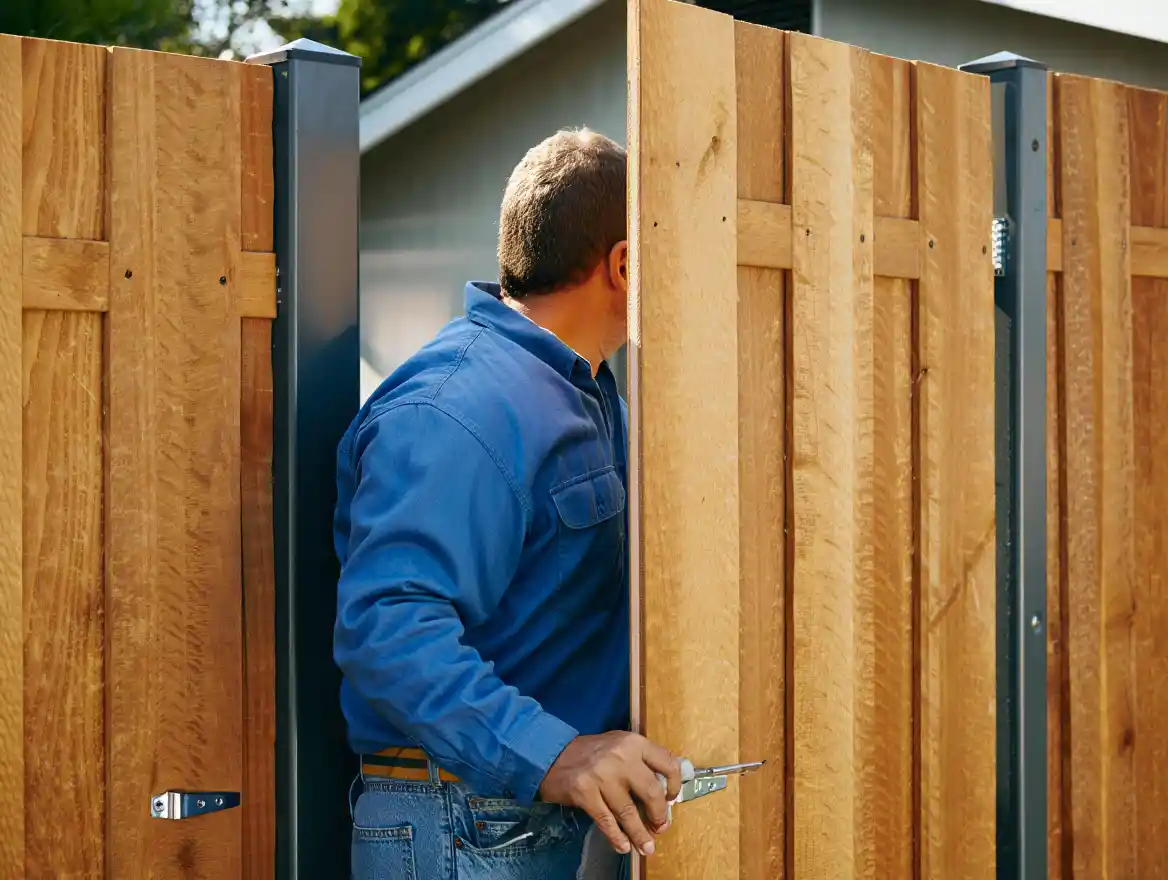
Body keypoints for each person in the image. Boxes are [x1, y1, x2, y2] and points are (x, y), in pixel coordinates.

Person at [333, 128, 682, 880]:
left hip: (510, 823)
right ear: (623, 264)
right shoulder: (457, 407)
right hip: (456, 827)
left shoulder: (582, 394)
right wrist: (552, 752)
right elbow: (386, 628)